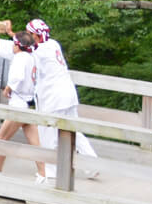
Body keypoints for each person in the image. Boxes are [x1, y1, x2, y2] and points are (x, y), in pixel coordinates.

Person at [26, 19, 100, 179]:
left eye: (28, 34)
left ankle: (51, 170)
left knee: (47, 133)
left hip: (54, 97)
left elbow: (21, 52)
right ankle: (92, 165)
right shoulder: (53, 44)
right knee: (75, 131)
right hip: (68, 94)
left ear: (35, 35)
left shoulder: (39, 52)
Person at [0, 32, 47, 182]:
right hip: (28, 103)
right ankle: (42, 174)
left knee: (1, 138)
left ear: (18, 45)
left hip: (18, 104)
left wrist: (9, 87)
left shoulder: (20, 58)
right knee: (35, 143)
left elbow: (18, 76)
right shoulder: (31, 58)